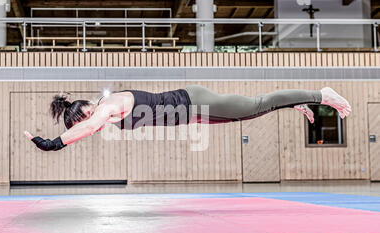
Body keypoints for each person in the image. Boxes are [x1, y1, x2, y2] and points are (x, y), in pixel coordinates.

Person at [24, 85, 351, 151]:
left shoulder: (106, 107)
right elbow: (92, 126)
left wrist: (52, 143)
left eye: (80, 122)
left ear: (85, 112)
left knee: (255, 103)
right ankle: (294, 103)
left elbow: (91, 125)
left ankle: (322, 95)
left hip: (195, 102)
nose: (87, 129)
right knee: (247, 114)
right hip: (194, 116)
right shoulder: (106, 114)